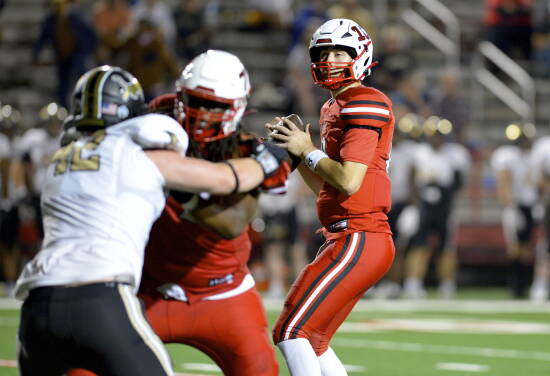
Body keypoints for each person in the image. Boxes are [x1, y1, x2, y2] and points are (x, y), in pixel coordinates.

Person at [14, 65, 288, 376]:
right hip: (102, 297)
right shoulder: (139, 153)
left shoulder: (60, 159)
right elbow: (226, 180)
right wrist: (269, 158)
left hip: (37, 303)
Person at [268, 18, 395, 375]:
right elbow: (329, 187)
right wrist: (296, 153)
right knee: (315, 338)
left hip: (360, 234)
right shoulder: (332, 107)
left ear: (361, 55)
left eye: (340, 52)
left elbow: (350, 181)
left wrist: (308, 150)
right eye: (324, 53)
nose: (331, 60)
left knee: (291, 330)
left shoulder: (365, 101)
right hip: (348, 234)